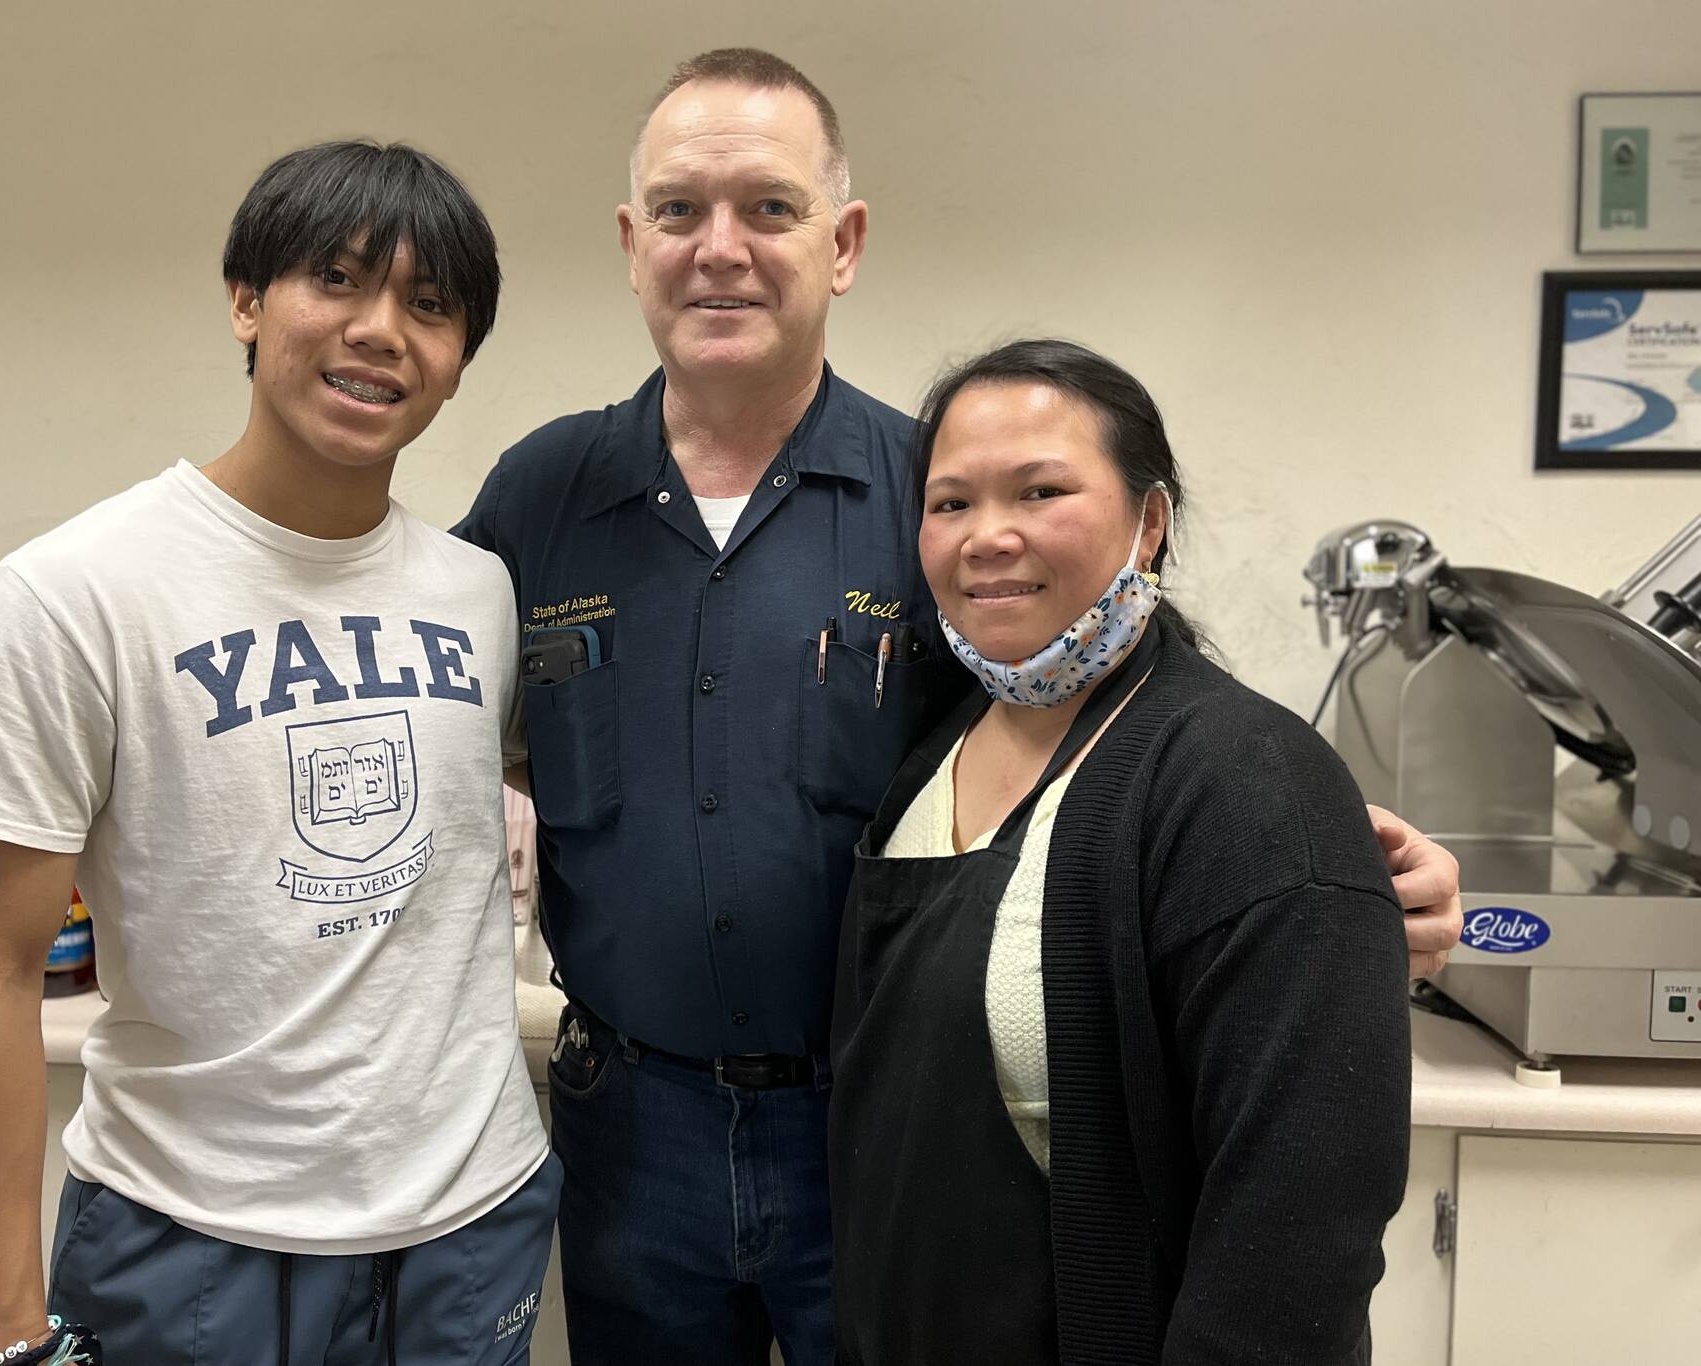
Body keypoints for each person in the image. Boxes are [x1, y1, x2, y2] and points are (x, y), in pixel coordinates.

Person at [457, 48, 1460, 1366]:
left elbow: (1108, 714)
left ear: (844, 241)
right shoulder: (542, 497)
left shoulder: (929, 491)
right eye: (682, 211)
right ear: (633, 241)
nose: (721, 250)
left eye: (769, 207)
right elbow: (439, 717)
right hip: (630, 1126)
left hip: (880, 1122)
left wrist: (1317, 851)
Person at [0, 140, 558, 1366]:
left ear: (459, 360)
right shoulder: (75, 592)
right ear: (247, 301)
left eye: (429, 306)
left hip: (470, 1221)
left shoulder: (482, 595)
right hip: (193, 1233)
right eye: (335, 279)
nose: (380, 331)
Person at [829, 338, 1410, 1364]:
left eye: (1040, 490)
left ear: (1148, 521)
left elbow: (1296, 1241)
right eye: (950, 502)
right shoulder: (934, 747)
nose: (986, 537)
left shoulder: (1244, 781)